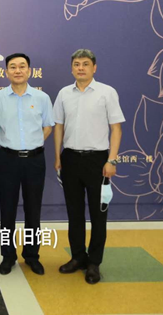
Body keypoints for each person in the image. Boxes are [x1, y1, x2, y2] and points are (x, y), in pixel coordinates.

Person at [53, 49, 124, 284]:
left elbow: (116, 128)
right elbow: (59, 126)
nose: (80, 68)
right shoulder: (64, 94)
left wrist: (111, 160)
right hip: (70, 159)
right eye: (76, 64)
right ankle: (77, 257)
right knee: (74, 214)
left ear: (94, 67)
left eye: (85, 64)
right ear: (71, 68)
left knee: (98, 215)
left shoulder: (107, 92)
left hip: (98, 161)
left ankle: (94, 263)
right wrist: (58, 156)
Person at [0, 53, 54, 276]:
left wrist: (32, 144)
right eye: (13, 67)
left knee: (33, 209)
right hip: (8, 159)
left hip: (35, 160)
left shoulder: (42, 98)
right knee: (7, 209)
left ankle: (32, 256)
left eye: (22, 66)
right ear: (6, 71)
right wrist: (11, 143)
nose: (18, 70)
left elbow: (48, 127)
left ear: (29, 71)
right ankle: (8, 256)